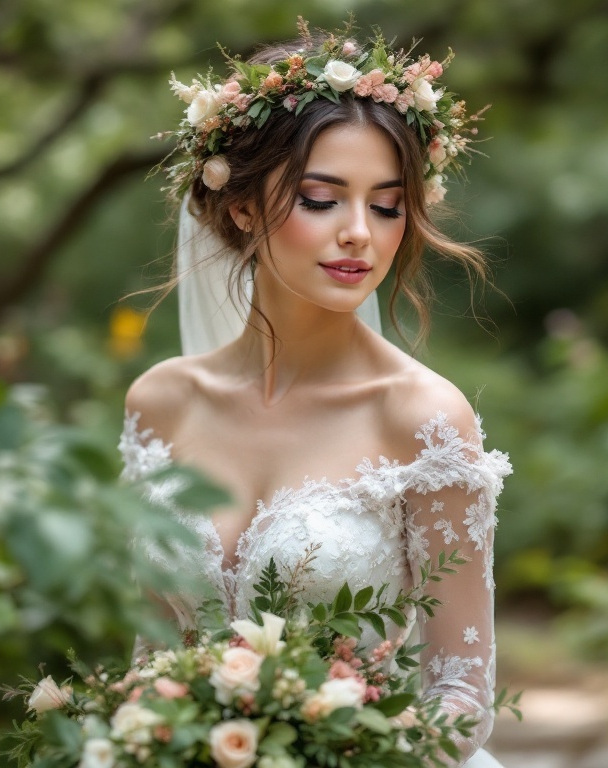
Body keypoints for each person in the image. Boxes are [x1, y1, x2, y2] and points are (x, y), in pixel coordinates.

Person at [119, 18, 512, 768]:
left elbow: (460, 692)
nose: (360, 232)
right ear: (239, 207)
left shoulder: (422, 419)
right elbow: (152, 658)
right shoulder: (160, 403)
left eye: (388, 205)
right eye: (321, 199)